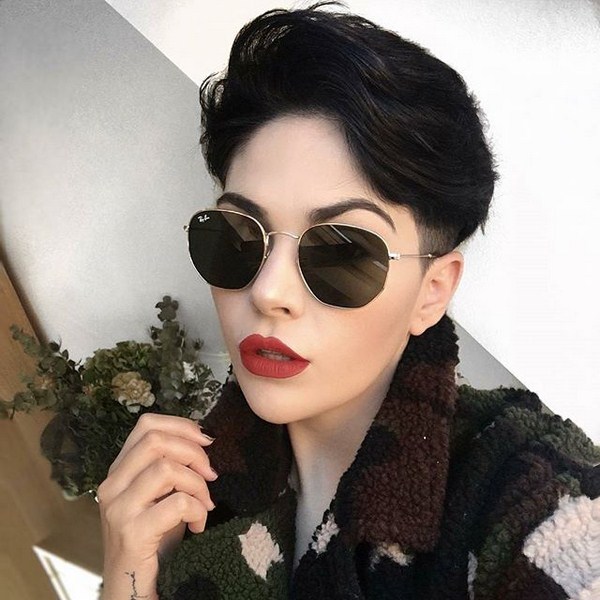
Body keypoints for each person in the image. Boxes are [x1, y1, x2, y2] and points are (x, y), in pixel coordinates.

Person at [98, 4, 600, 599]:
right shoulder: (199, 483)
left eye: (342, 253)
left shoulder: (525, 490)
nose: (269, 291)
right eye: (238, 237)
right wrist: (128, 571)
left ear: (432, 292)